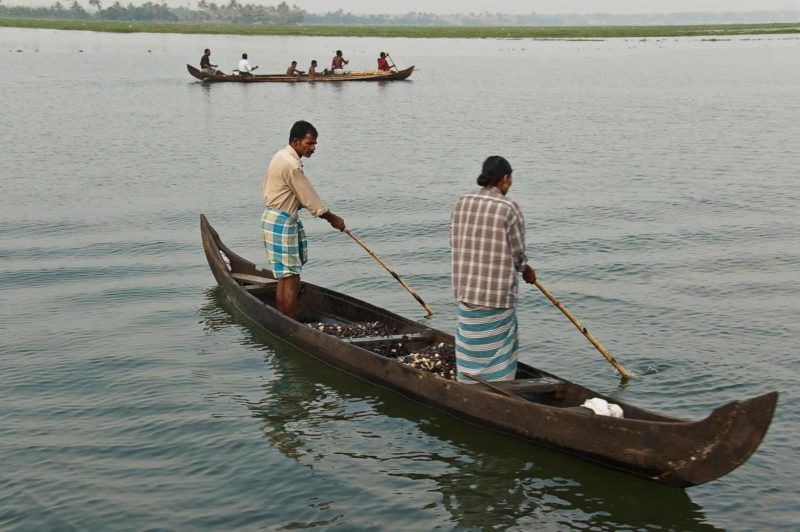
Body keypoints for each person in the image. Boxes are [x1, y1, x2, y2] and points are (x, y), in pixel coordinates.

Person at [449, 156, 536, 383]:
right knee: (499, 347)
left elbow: (455, 241)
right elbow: (517, 254)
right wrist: (526, 269)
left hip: (466, 289)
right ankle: (498, 385)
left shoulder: (462, 201)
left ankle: (468, 382)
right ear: (505, 179)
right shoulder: (509, 208)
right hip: (496, 295)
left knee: (471, 342)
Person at [262, 121, 346, 318]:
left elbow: (295, 196)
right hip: (282, 222)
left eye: (315, 144)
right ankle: (289, 323)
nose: (313, 148)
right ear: (295, 141)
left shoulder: (280, 155)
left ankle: (283, 318)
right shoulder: (291, 165)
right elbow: (310, 199)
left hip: (271, 218)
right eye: (309, 143)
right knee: (291, 277)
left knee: (284, 275)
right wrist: (333, 218)